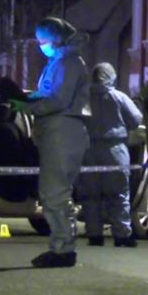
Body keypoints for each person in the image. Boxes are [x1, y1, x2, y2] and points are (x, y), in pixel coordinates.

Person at [12, 17, 90, 268]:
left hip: (62, 131)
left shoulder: (69, 63)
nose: (40, 45)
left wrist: (27, 105)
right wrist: (28, 98)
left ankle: (63, 248)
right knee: (53, 192)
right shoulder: (60, 62)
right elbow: (50, 94)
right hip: (58, 132)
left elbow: (57, 100)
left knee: (55, 193)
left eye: (43, 40)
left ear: (57, 38)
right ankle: (62, 246)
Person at [80, 63, 143, 247]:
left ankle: (94, 234)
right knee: (119, 193)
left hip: (89, 150)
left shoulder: (84, 98)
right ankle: (122, 235)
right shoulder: (118, 97)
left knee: (91, 195)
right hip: (115, 150)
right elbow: (136, 120)